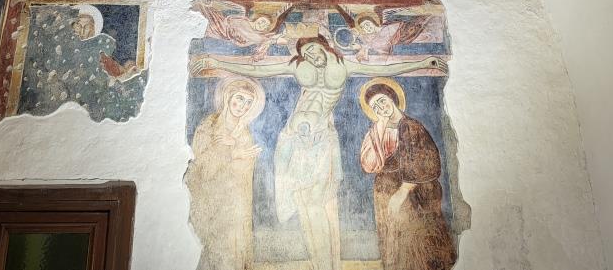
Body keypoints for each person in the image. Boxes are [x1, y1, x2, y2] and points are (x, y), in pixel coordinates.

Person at [191, 36, 446, 270]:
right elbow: (260, 70)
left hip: (320, 139)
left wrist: (422, 62)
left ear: (324, 46)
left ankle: (326, 263)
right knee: (299, 199)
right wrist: (217, 62)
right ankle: (318, 261)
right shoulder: (299, 68)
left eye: (314, 49)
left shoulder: (343, 66)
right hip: (293, 137)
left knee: (318, 202)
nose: (312, 55)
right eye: (307, 53)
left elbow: (384, 68)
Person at [359, 80, 456, 269]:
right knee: (393, 243)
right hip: (385, 192)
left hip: (412, 195)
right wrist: (380, 127)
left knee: (414, 244)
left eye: (382, 100)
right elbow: (369, 165)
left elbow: (425, 163)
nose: (380, 107)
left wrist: (402, 192)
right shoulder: (376, 131)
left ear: (392, 98)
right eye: (375, 106)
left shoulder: (411, 126)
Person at [186, 78, 265, 270]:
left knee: (235, 250)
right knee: (216, 251)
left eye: (249, 102)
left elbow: (245, 172)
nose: (243, 106)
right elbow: (201, 166)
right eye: (240, 98)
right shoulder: (209, 126)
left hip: (236, 204)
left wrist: (239, 152)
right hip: (213, 201)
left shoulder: (244, 133)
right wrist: (232, 153)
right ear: (228, 96)